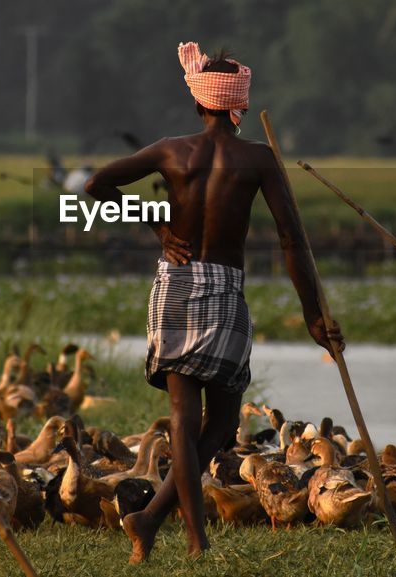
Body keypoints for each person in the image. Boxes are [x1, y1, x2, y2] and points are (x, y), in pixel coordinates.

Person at [85, 41, 343, 563]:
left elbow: (94, 186)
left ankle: (152, 518)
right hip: (222, 287)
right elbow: (291, 238)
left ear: (201, 104)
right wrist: (314, 315)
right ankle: (194, 542)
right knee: (216, 421)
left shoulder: (169, 150)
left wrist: (156, 223)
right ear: (237, 107)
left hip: (174, 282)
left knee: (199, 420)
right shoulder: (258, 159)